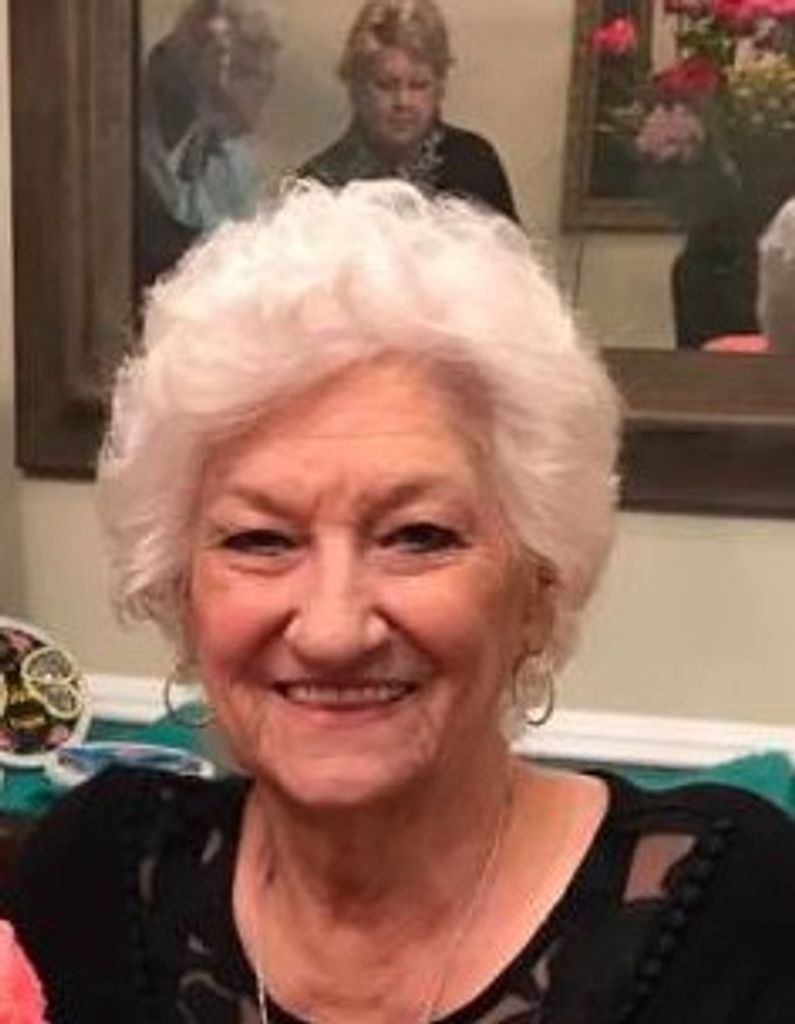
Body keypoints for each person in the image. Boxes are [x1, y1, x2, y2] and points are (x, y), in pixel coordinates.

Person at [5, 180, 795, 1024]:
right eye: (261, 540)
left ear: (537, 587)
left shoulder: (731, 913)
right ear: (181, 593)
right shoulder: (95, 875)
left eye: (417, 536)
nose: (333, 629)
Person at [299, 0, 519, 222]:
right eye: (385, 85)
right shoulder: (318, 185)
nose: (403, 102)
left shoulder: (475, 163)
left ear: (440, 87)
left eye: (419, 85)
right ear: (355, 86)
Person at [137, 0, 279, 286]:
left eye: (267, 76)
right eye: (247, 72)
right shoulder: (120, 130)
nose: (264, 92)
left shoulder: (239, 164)